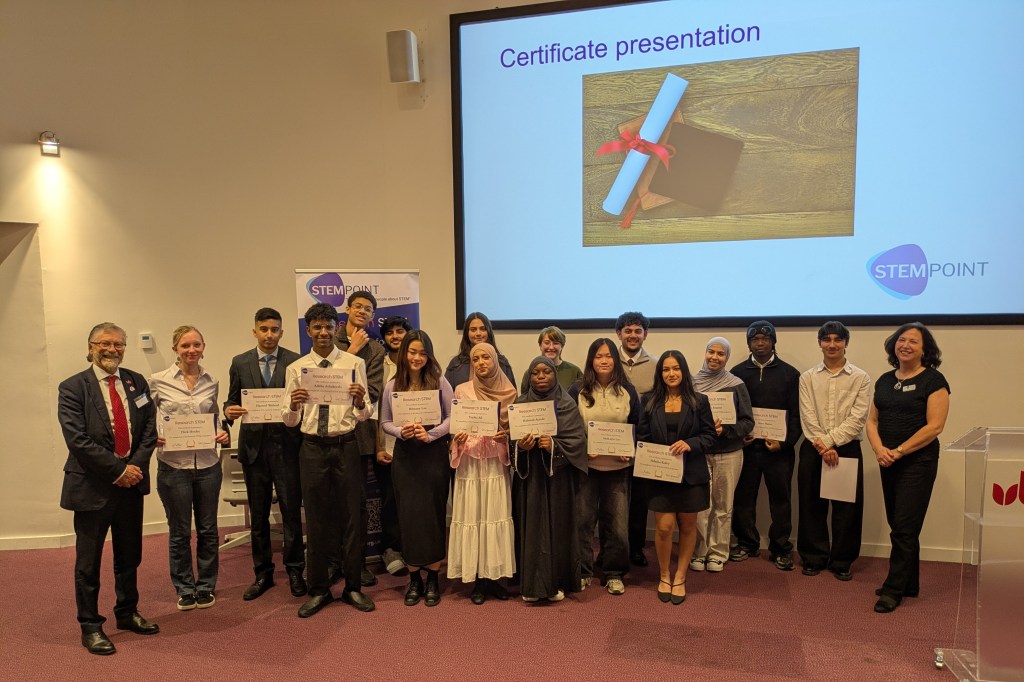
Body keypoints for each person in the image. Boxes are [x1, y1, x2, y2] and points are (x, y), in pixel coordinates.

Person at [58, 323, 159, 655]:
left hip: (131, 484)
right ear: (90, 347)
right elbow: (77, 439)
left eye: (118, 344)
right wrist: (119, 471)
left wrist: (135, 467)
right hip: (92, 486)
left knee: (129, 555)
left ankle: (127, 612)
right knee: (88, 562)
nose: (112, 349)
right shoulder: (73, 387)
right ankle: (90, 625)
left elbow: (148, 428)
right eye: (104, 343)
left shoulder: (136, 382)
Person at [282, 303, 374, 617]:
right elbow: (289, 420)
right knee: (316, 518)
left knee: (351, 517)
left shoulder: (353, 363)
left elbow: (366, 413)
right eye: (317, 327)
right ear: (308, 330)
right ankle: (319, 589)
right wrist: (293, 405)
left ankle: (353, 587)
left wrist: (359, 400)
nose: (323, 332)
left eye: (328, 326)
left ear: (337, 328)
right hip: (311, 448)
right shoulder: (296, 369)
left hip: (345, 444)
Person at [222, 308, 306, 601]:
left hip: (288, 448)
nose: (269, 335)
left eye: (274, 329)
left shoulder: (296, 361)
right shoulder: (240, 362)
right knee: (258, 517)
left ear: (282, 332)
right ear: (254, 331)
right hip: (254, 449)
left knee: (291, 514)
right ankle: (263, 573)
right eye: (264, 329)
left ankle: (295, 570)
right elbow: (231, 400)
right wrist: (228, 411)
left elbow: (304, 403)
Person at [866, 322, 950, 614]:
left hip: (917, 462)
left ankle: (893, 589)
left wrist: (899, 451)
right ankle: (909, 583)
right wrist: (880, 450)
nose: (906, 345)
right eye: (902, 340)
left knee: (904, 527)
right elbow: (872, 421)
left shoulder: (934, 381)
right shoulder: (885, 380)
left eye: (914, 341)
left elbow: (935, 426)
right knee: (900, 524)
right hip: (887, 459)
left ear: (925, 350)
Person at [150, 326, 231, 611]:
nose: (191, 350)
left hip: (208, 464)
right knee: (180, 531)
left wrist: (221, 432)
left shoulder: (212, 380)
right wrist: (152, 436)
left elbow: (214, 416)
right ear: (175, 349)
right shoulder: (157, 381)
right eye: (185, 346)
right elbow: (146, 418)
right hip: (173, 465)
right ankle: (185, 588)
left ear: (203, 347)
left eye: (196, 345)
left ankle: (206, 585)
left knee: (208, 529)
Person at [637, 350, 716, 605]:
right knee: (664, 527)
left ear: (683, 371)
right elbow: (642, 437)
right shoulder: (648, 400)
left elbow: (709, 436)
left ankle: (680, 577)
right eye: (666, 369)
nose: (671, 374)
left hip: (691, 475)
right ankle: (664, 575)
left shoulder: (699, 401)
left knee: (688, 526)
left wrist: (690, 443)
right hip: (660, 474)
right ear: (660, 373)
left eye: (676, 368)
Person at [381, 330, 453, 606]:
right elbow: (385, 422)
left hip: (433, 455)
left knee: (433, 515)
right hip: (405, 457)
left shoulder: (439, 381)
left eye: (423, 353)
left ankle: (433, 577)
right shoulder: (392, 385)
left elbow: (452, 417)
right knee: (408, 517)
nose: (417, 357)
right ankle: (414, 579)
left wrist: (431, 435)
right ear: (404, 354)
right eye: (412, 352)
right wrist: (401, 432)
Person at [798, 321, 871, 581]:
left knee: (846, 509)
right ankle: (813, 557)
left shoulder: (861, 377)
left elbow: (858, 418)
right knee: (811, 505)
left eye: (837, 339)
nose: (832, 344)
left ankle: (842, 560)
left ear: (846, 343)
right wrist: (823, 444)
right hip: (813, 447)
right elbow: (807, 416)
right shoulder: (807, 377)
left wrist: (830, 442)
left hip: (846, 447)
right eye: (826, 339)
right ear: (819, 343)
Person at [568, 338, 640, 595]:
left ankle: (614, 572)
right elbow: (569, 427)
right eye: (598, 356)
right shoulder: (577, 389)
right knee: (582, 523)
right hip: (586, 468)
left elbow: (638, 426)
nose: (604, 360)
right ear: (591, 360)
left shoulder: (628, 391)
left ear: (615, 360)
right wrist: (585, 447)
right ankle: (582, 571)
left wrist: (629, 448)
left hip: (618, 470)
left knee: (617, 526)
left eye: (608, 356)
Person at [513, 356, 588, 602]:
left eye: (546, 372)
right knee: (533, 528)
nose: (541, 377)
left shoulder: (566, 404)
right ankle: (532, 584)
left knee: (558, 527)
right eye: (535, 373)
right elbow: (511, 442)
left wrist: (553, 445)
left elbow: (577, 441)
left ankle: (557, 581)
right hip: (531, 480)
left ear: (555, 375)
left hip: (558, 480)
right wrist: (521, 446)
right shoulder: (521, 403)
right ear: (529, 377)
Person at [729, 321, 802, 571]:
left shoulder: (790, 374)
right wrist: (739, 437)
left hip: (779, 451)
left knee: (781, 500)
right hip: (747, 448)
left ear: (773, 342)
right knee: (743, 498)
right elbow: (731, 412)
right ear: (749, 343)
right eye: (755, 339)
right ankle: (746, 543)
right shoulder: (737, 373)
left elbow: (797, 415)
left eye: (765, 338)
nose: (760, 343)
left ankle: (781, 548)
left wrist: (785, 443)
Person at [448, 342, 517, 604]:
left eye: (485, 357)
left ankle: (494, 577)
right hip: (470, 463)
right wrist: (457, 437)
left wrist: (505, 436)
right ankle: (477, 578)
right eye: (475, 359)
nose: (480, 363)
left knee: (494, 516)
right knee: (473, 517)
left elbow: (515, 430)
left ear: (495, 360)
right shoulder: (462, 390)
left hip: (495, 464)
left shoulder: (509, 392)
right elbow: (456, 427)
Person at [333, 290, 385, 588]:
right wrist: (351, 352)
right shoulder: (329, 340)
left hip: (360, 435)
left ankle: (359, 563)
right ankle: (333, 562)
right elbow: (323, 387)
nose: (362, 311)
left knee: (359, 503)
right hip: (327, 433)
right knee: (332, 502)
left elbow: (372, 392)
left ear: (372, 316)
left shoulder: (376, 350)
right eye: (358, 306)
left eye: (368, 309)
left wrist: (353, 356)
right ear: (348, 309)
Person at [690, 337, 754, 574]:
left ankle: (718, 553)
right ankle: (698, 551)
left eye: (721, 354)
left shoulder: (736, 384)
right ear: (705, 353)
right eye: (711, 352)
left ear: (727, 357)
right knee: (700, 508)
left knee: (724, 506)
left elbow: (747, 421)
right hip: (700, 454)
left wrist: (725, 430)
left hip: (729, 453)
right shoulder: (692, 383)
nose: (714, 357)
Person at [615, 311, 657, 568]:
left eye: (638, 331)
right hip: (612, 442)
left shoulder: (656, 365)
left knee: (640, 499)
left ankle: (636, 548)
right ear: (618, 334)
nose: (633, 335)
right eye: (628, 331)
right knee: (613, 497)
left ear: (645, 335)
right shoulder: (608, 362)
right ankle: (612, 547)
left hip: (644, 441)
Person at [373, 315, 412, 576]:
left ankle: (414, 548)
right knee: (389, 499)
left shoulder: (420, 363)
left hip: (417, 445)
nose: (395, 336)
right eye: (390, 333)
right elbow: (374, 411)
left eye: (400, 331)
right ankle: (391, 549)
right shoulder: (380, 367)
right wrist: (379, 447)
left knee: (414, 500)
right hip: (388, 444)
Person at [444, 312, 516, 388]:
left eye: (482, 329)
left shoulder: (501, 362)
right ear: (467, 333)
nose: (478, 333)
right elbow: (446, 393)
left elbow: (511, 392)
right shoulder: (456, 364)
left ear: (488, 332)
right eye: (473, 330)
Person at [519, 326, 584, 392]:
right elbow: (524, 397)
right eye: (547, 343)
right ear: (540, 345)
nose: (551, 347)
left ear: (562, 346)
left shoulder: (574, 372)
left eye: (556, 343)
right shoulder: (531, 372)